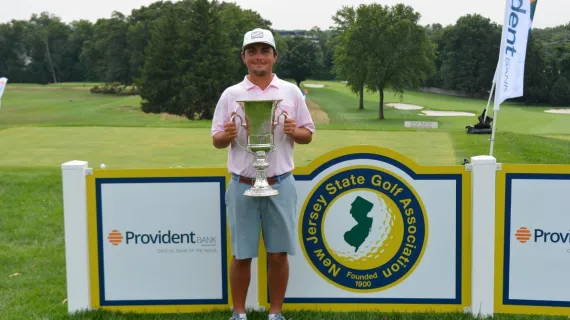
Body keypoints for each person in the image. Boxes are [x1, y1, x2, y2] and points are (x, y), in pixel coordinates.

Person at [210, 28, 315, 320]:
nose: (259, 57)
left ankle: (276, 313)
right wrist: (226, 135)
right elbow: (217, 140)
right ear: (244, 57)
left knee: (278, 253)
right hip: (242, 183)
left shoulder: (291, 92)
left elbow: (308, 134)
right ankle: (239, 313)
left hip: (280, 182)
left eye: (265, 51)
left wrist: (297, 131)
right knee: (241, 254)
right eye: (253, 51)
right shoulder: (232, 94)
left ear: (274, 56)